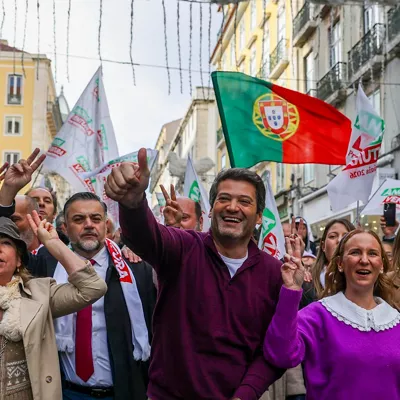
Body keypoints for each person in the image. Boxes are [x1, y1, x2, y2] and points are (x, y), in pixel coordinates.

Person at [105, 148, 285, 400]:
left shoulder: (274, 274)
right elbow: (145, 236)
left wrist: (245, 394)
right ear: (211, 210)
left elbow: (273, 351)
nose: (232, 207)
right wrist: (133, 203)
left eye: (244, 201)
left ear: (258, 217)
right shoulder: (183, 248)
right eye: (224, 199)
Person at [263, 231, 400, 400]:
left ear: (382, 266)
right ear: (340, 264)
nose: (364, 260)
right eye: (355, 252)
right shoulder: (317, 315)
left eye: (372, 253)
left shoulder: (395, 320)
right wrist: (291, 291)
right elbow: (280, 355)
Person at [0, 213, 107, 400]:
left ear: (19, 260)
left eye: (5, 243)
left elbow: (93, 288)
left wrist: (54, 245)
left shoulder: (39, 294)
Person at [300, 219, 355, 309]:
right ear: (323, 246)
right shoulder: (307, 280)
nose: (340, 240)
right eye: (333, 236)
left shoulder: (363, 280)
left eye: (346, 237)